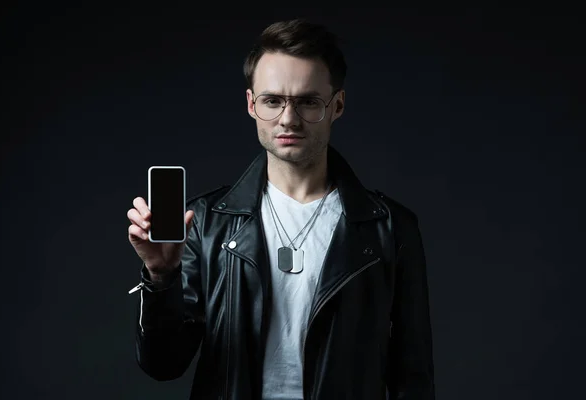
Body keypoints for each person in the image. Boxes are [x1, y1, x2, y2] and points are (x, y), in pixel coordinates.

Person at [126, 18, 435, 400]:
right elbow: (164, 365)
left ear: (337, 105)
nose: (288, 119)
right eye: (273, 101)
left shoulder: (389, 228)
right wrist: (161, 278)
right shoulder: (206, 223)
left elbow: (413, 376)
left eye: (308, 101)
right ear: (251, 105)